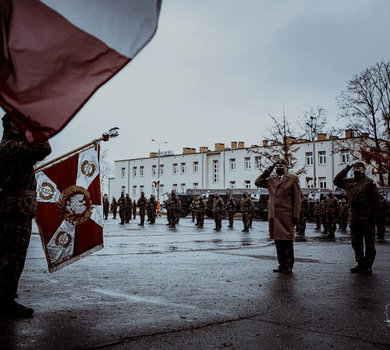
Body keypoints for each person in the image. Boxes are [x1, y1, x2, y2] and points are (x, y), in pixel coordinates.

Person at [0, 114, 52, 317]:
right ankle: (5, 301)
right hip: (16, 210)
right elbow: (43, 148)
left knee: (9, 255)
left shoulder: (9, 149)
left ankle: (4, 298)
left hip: (14, 208)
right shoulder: (10, 147)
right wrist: (32, 129)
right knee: (13, 257)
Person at [255, 158, 301, 273]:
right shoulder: (271, 179)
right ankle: (281, 264)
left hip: (287, 215)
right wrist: (267, 172)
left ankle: (289, 265)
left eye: (281, 167)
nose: (279, 169)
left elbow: (297, 199)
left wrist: (296, 215)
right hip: (274, 216)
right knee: (278, 240)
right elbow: (258, 182)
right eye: (277, 167)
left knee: (287, 241)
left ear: (286, 167)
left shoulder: (293, 179)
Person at [333, 161, 380, 274]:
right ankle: (360, 263)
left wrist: (373, 216)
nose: (357, 171)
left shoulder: (369, 182)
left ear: (364, 170)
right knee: (356, 242)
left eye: (359, 169)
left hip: (367, 218)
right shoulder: (349, 182)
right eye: (355, 169)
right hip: (354, 218)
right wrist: (346, 169)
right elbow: (336, 181)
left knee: (369, 242)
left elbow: (376, 200)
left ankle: (368, 265)